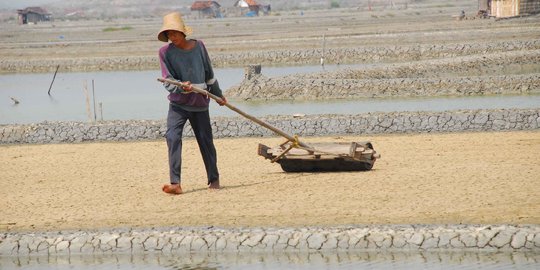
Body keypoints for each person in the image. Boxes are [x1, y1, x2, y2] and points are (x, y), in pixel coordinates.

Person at [157, 12, 227, 195]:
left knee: (205, 141)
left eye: (175, 33)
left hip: (199, 103)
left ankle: (214, 179)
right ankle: (175, 183)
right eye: (169, 35)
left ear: (183, 32)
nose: (172, 38)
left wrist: (218, 95)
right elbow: (167, 80)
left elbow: (209, 75)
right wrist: (181, 86)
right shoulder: (165, 52)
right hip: (178, 105)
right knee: (172, 137)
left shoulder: (199, 46)